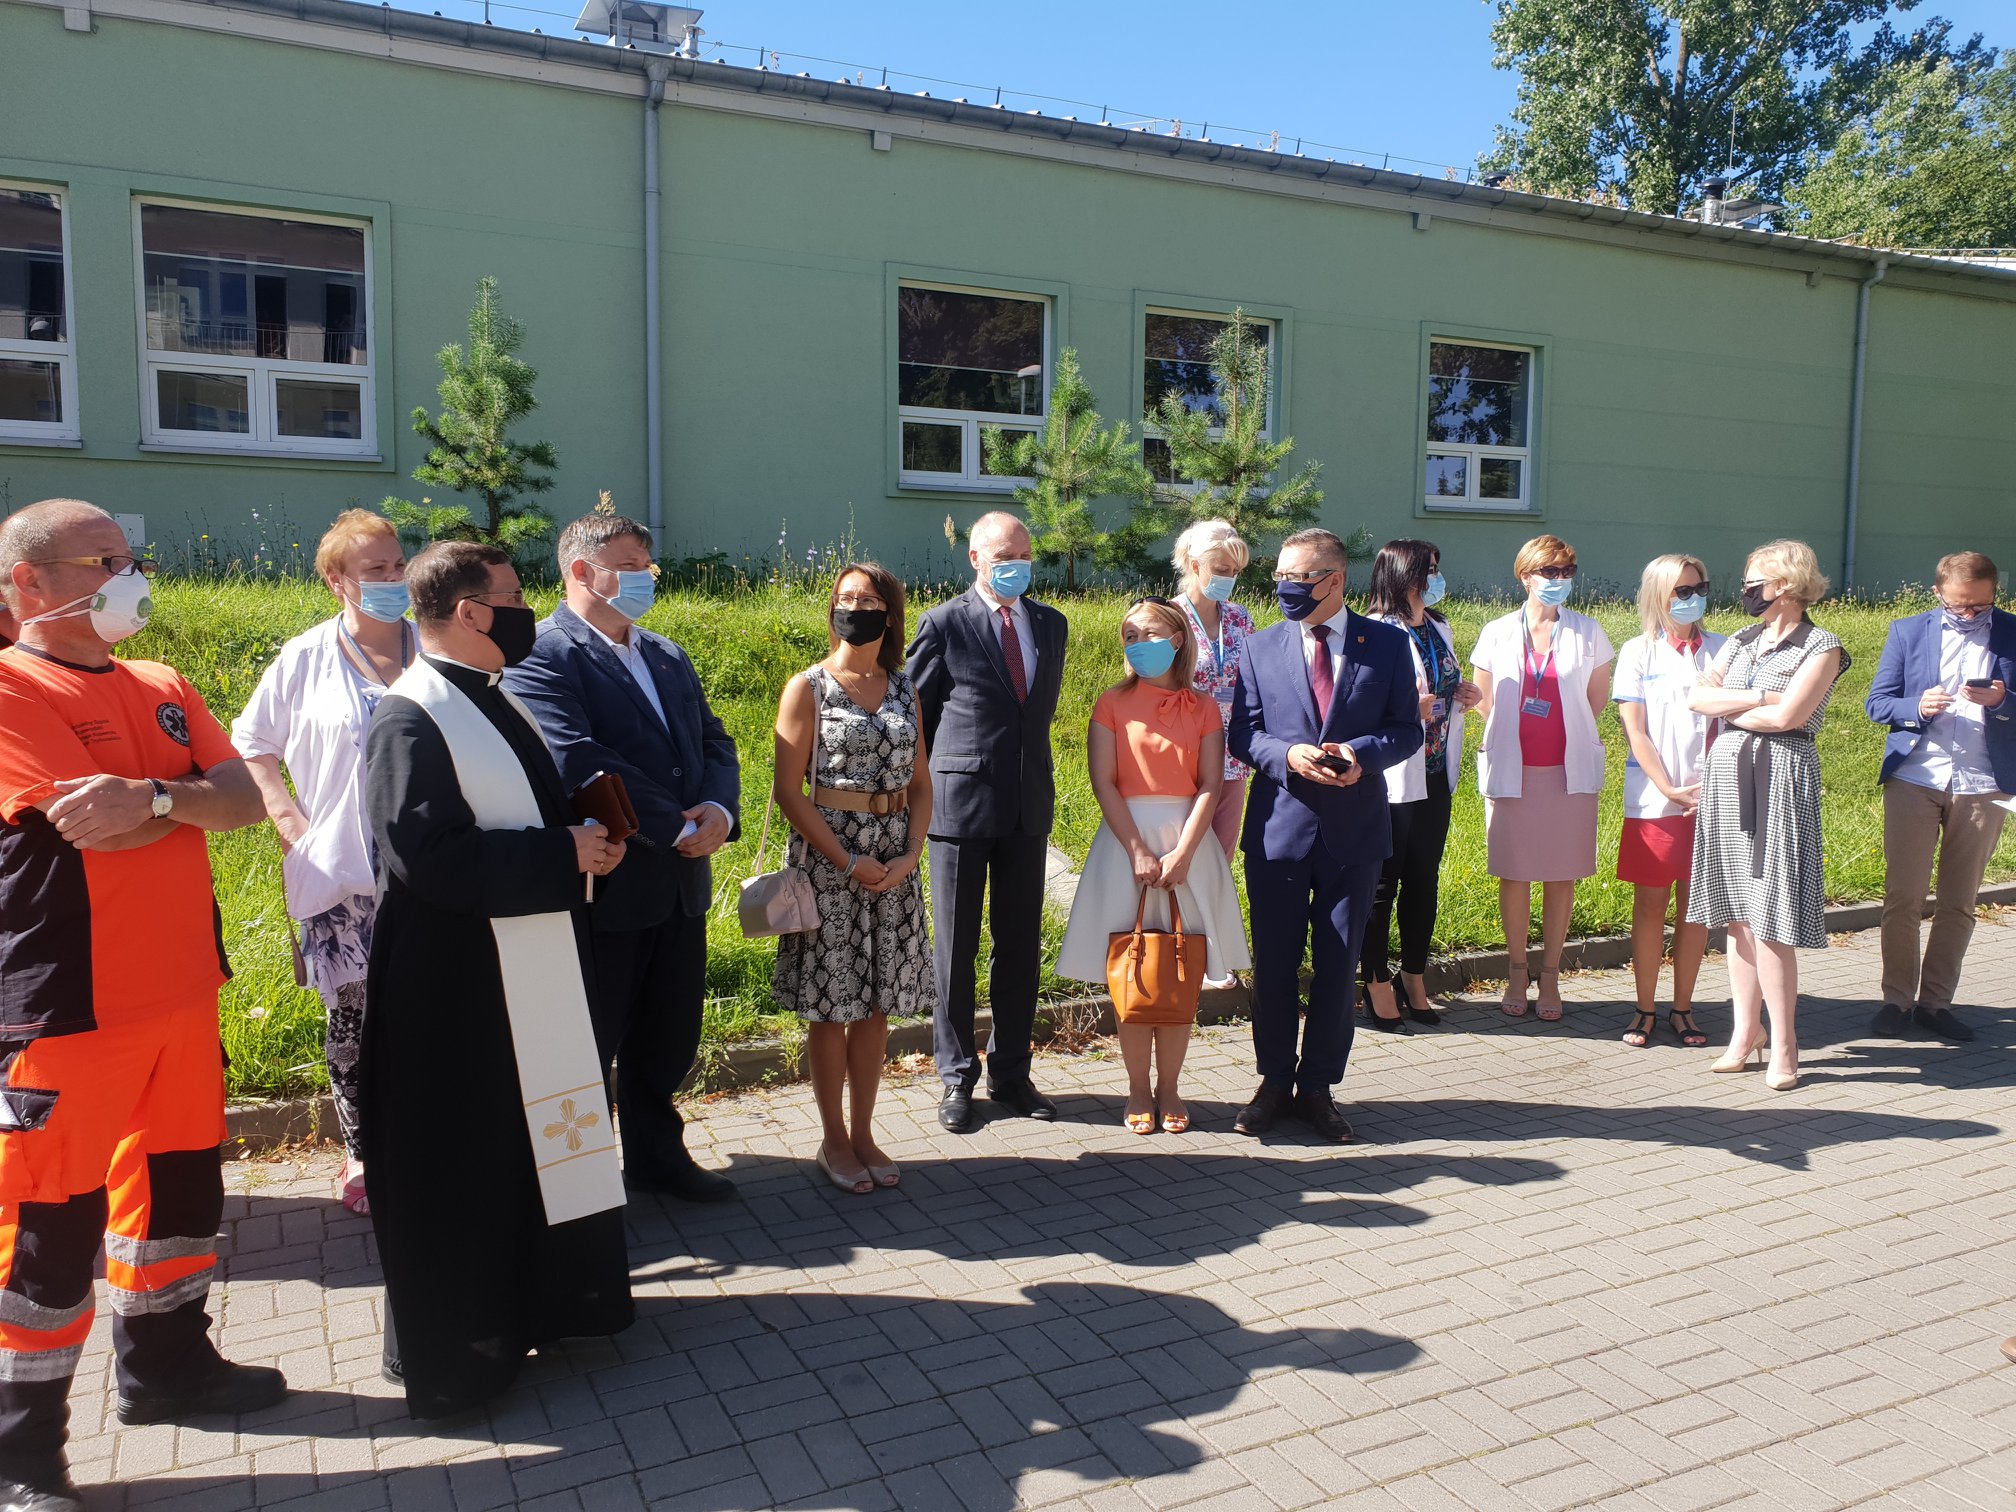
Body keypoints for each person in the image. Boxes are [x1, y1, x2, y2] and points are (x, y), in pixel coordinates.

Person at [0, 499, 285, 1512]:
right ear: (30, 583)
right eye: (103, 560)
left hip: (182, 993)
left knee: (176, 1200)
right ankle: (22, 1457)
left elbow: (243, 800)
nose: (129, 576)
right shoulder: (10, 686)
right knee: (48, 1230)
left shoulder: (162, 683)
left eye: (130, 557)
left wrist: (157, 797)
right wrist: (174, 799)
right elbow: (87, 825)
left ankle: (167, 1369)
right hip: (70, 1008)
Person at [362, 542, 633, 1419]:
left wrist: (586, 839)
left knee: (533, 1147)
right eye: (514, 597)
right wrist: (560, 853)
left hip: (527, 969)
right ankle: (465, 1350)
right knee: (469, 1160)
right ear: (471, 612)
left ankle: (543, 1305)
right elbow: (427, 857)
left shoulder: (493, 694)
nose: (526, 610)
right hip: (458, 989)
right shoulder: (410, 717)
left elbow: (526, 816)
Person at [505, 513, 740, 1201]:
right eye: (632, 565)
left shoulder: (665, 653)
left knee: (669, 1034)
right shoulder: (543, 654)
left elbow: (714, 741)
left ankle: (657, 1158)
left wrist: (718, 812)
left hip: (681, 879)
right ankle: (580, 1182)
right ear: (582, 571)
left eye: (647, 565)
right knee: (592, 1038)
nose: (647, 578)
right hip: (609, 884)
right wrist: (671, 825)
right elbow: (576, 756)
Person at [231, 509, 413, 1214]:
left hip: (431, 869)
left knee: (432, 1008)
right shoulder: (306, 656)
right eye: (375, 569)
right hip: (343, 875)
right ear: (337, 580)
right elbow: (253, 743)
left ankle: (428, 1140)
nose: (393, 578)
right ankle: (364, 1153)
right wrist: (289, 821)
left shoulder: (435, 645)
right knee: (355, 1023)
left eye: (398, 564)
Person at [1228, 528, 1421, 1142]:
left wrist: (1362, 754)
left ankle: (1318, 1088)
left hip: (1353, 834)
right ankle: (1273, 1082)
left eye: (1299, 577)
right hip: (1279, 833)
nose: (1285, 587)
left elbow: (1407, 730)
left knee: (1338, 968)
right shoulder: (1259, 647)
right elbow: (1243, 734)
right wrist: (1287, 755)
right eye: (1280, 576)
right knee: (1275, 965)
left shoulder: (1386, 645)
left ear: (1334, 581)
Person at [1056, 597, 1250, 1133]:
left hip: (1190, 846)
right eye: (1130, 636)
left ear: (1178, 639)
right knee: (1134, 974)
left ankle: (1171, 1089)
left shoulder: (1204, 706)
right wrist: (1137, 849)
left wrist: (1184, 852)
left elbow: (1211, 785)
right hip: (1125, 848)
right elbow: (1104, 782)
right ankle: (1138, 1090)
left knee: (1179, 975)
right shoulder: (1111, 703)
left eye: (1150, 634)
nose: (1139, 644)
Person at [772, 563, 936, 1191]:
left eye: (867, 600)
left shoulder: (904, 688)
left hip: (893, 865)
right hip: (829, 865)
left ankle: (864, 1133)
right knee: (830, 1008)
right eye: (845, 598)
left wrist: (911, 854)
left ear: (889, 614)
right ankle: (833, 1140)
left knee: (875, 1008)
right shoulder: (807, 687)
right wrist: (845, 861)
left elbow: (921, 784)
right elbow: (790, 792)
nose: (854, 608)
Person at [907, 512, 1069, 1133]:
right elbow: (915, 717)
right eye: (1004, 557)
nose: (1017, 566)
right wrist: (915, 798)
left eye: (1025, 555)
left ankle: (1011, 1071)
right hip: (959, 807)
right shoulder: (944, 623)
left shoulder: (1050, 623)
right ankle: (956, 1076)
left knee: (1019, 945)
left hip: (1027, 806)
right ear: (975, 558)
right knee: (955, 949)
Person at [1688, 539, 1850, 1092]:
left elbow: (1790, 718)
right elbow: (1697, 699)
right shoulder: (1742, 639)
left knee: (1772, 914)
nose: (1746, 591)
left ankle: (1784, 1043)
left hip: (1781, 776)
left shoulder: (1823, 645)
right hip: (1727, 776)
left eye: (1754, 582)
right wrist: (1759, 696)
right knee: (1738, 913)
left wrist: (1735, 703)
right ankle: (1745, 1032)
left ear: (1786, 584)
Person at [1865, 550, 2016, 1044]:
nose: (1969, 614)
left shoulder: (2012, 632)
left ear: (1995, 593)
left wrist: (2003, 701)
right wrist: (1916, 705)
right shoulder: (1908, 632)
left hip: (1984, 783)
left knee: (1960, 900)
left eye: (1980, 606)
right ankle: (1895, 1001)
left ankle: (1936, 1004)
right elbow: (1877, 702)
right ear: (1937, 593)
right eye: (1958, 605)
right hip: (1916, 776)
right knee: (1903, 895)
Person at [1469, 535, 1613, 1022]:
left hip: (1567, 773)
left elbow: (1594, 701)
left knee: (1560, 874)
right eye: (1550, 572)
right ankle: (1516, 971)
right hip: (1514, 770)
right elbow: (1485, 701)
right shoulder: (1496, 632)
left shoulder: (1588, 631)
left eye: (1566, 572)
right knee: (1514, 874)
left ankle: (1550, 974)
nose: (1559, 580)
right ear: (1525, 576)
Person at [1359, 540, 1479, 1031]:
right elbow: (1358, 706)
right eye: (1429, 570)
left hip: (1434, 774)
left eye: (1436, 569)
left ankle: (1413, 975)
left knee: (1423, 879)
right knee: (1382, 883)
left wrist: (1464, 694)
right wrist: (1410, 707)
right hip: (1391, 779)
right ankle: (1375, 981)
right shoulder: (1373, 631)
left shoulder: (1438, 626)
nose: (1435, 579)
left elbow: (1443, 687)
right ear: (1403, 574)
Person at [1613, 554, 1724, 1049]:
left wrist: (1709, 787)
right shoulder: (1638, 652)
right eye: (1682, 590)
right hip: (1656, 801)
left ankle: (1683, 1009)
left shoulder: (1724, 649)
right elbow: (1636, 732)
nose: (1692, 598)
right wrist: (1668, 788)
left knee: (1695, 909)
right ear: (1659, 595)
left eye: (1699, 588)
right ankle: (1644, 1009)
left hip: (1712, 798)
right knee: (1651, 906)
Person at [1172, 520, 1258, 868]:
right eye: (1222, 570)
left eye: (1235, 571)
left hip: (1232, 758)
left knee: (1219, 861)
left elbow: (1255, 680)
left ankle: (1212, 908)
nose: (1230, 578)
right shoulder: (1168, 617)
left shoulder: (1239, 617)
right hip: (1182, 757)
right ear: (1195, 565)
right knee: (1179, 854)